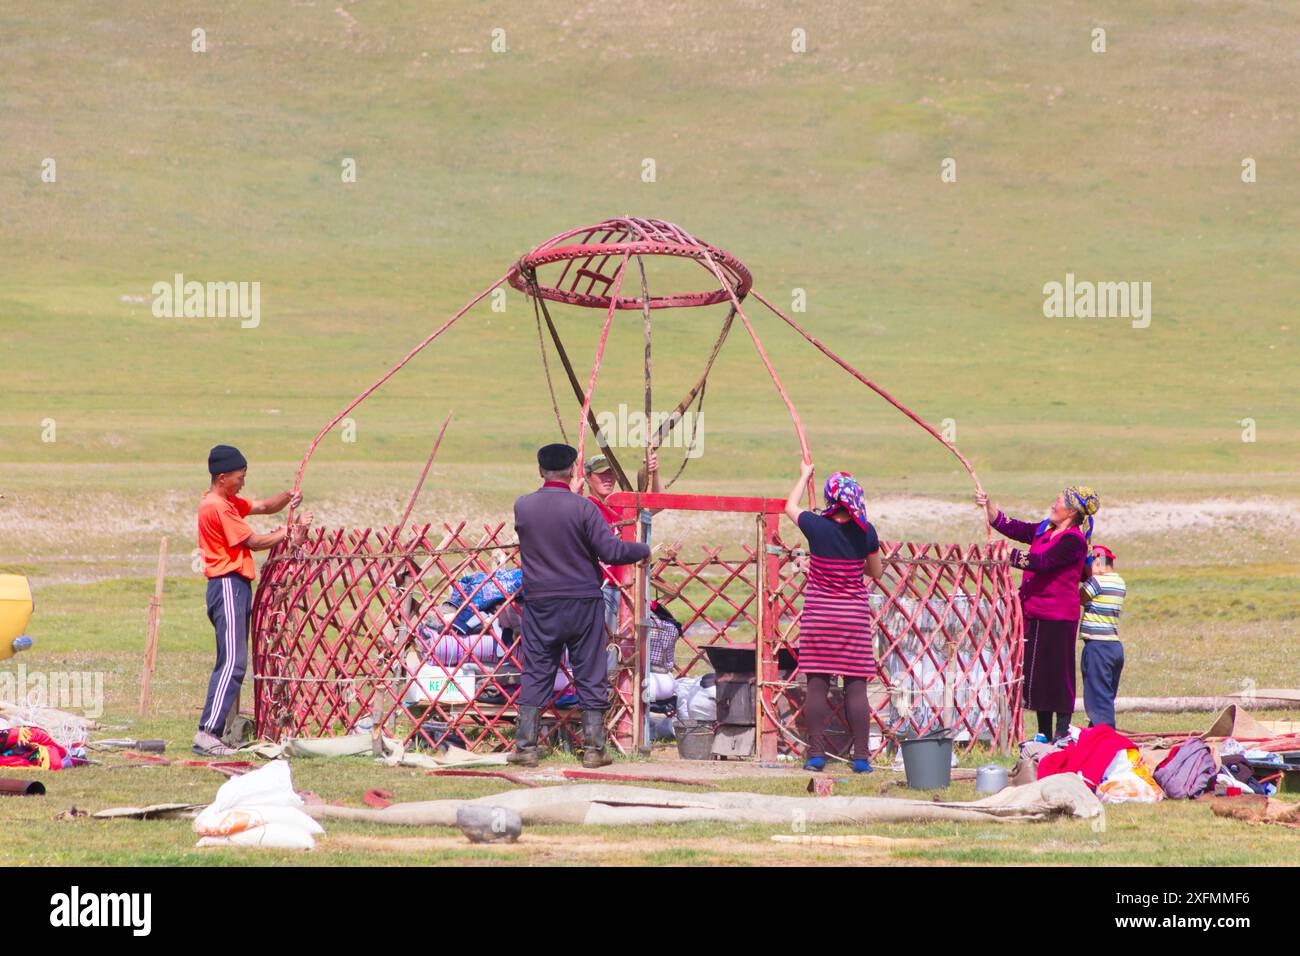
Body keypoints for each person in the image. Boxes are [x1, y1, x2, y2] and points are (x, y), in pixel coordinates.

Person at [509, 443, 650, 768]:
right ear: (574, 470)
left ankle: (526, 747)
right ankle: (594, 749)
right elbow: (612, 552)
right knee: (589, 671)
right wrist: (642, 548)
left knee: (536, 672)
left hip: (540, 604)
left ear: (540, 470)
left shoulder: (523, 507)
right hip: (582, 602)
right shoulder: (584, 508)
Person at [195, 444, 312, 756]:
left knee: (231, 661)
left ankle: (211, 731)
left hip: (233, 586)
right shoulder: (216, 507)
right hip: (227, 585)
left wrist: (288, 496)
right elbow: (253, 541)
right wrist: (289, 533)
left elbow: (262, 506)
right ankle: (207, 733)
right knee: (233, 662)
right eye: (239, 477)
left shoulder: (227, 501)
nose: (243, 483)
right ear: (222, 478)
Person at [977, 485, 1100, 745]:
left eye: (1059, 501)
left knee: (1059, 674)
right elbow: (1018, 528)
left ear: (1071, 511)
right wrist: (989, 508)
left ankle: (1062, 731)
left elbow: (1041, 562)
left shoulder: (1074, 541)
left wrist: (1005, 554)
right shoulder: (1045, 529)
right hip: (1034, 611)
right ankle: (1044, 732)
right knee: (1039, 673)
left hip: (1059, 616)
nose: (1054, 504)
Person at [784, 461, 883, 773]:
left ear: (829, 498)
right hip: (852, 618)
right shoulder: (866, 531)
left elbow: (789, 506)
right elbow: (875, 571)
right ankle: (861, 758)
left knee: (816, 684)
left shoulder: (815, 525)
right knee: (856, 687)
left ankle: (816, 754)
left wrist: (804, 475)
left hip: (819, 616)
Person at [581, 449, 663, 643]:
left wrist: (654, 473)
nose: (608, 479)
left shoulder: (622, 505)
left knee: (625, 647)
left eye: (611, 474)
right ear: (588, 477)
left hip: (628, 588)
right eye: (601, 475)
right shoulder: (584, 508)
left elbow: (657, 504)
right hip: (600, 587)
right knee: (603, 645)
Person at [1079, 545, 1127, 728]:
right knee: (1106, 697)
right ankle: (1097, 734)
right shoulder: (1120, 582)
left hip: (1098, 646)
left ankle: (1104, 738)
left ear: (1098, 562)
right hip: (1114, 646)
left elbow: (1079, 598)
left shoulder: (1097, 582)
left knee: (1097, 699)